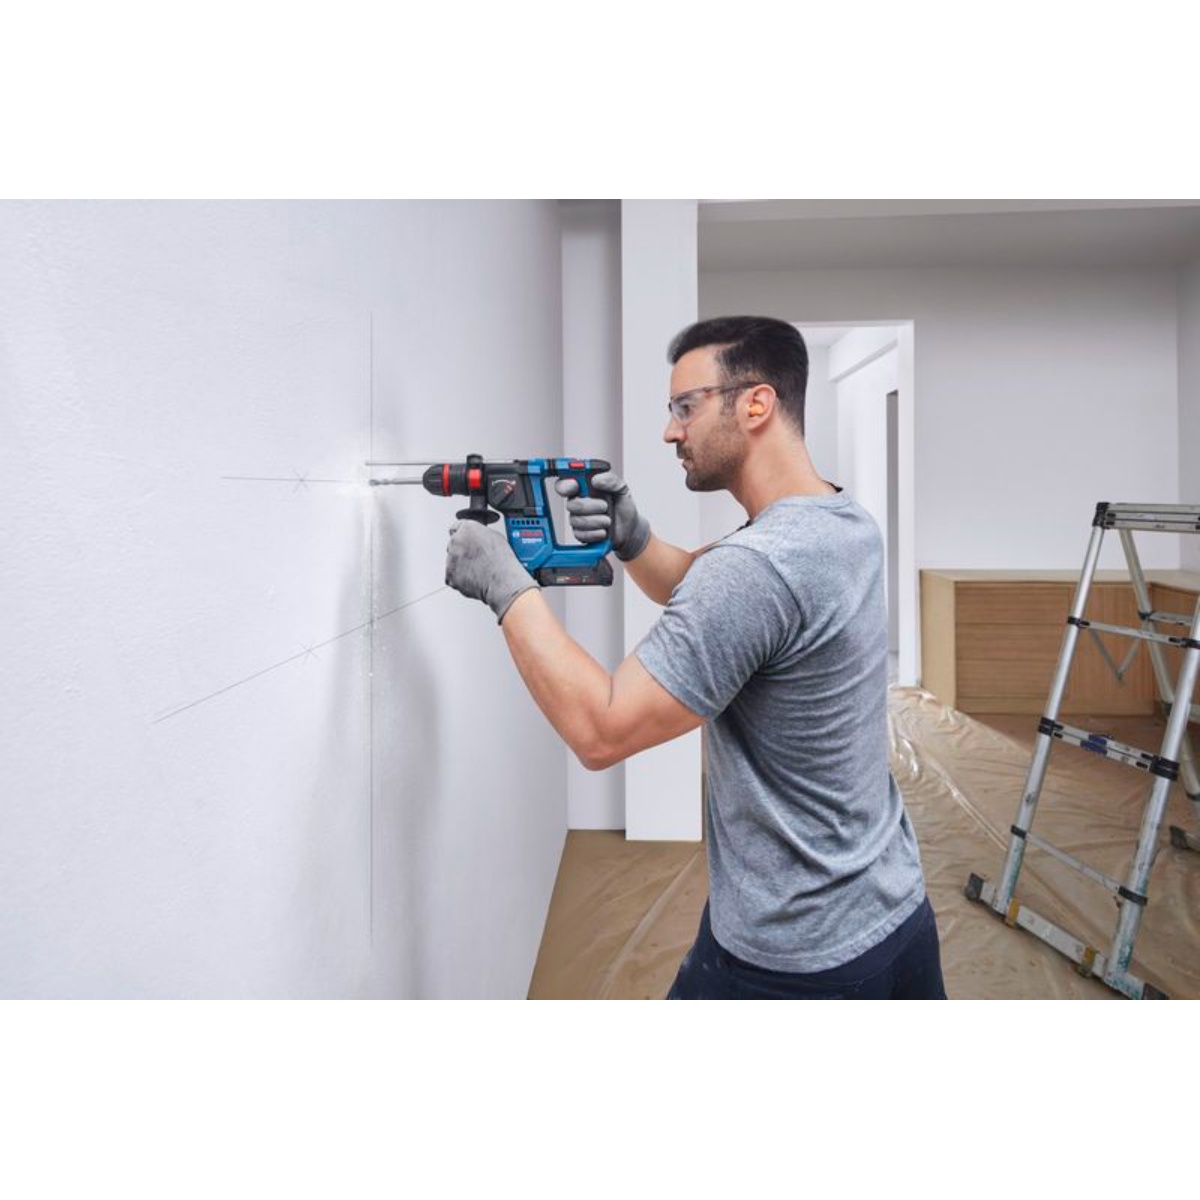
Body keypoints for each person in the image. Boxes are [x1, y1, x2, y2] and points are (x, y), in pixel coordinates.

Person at [444, 315, 945, 1000]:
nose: (670, 431)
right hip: (891, 907)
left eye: (686, 406)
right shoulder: (840, 520)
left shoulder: (755, 569)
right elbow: (717, 596)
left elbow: (601, 730)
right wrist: (633, 539)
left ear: (756, 404)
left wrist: (506, 588)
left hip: (796, 953)